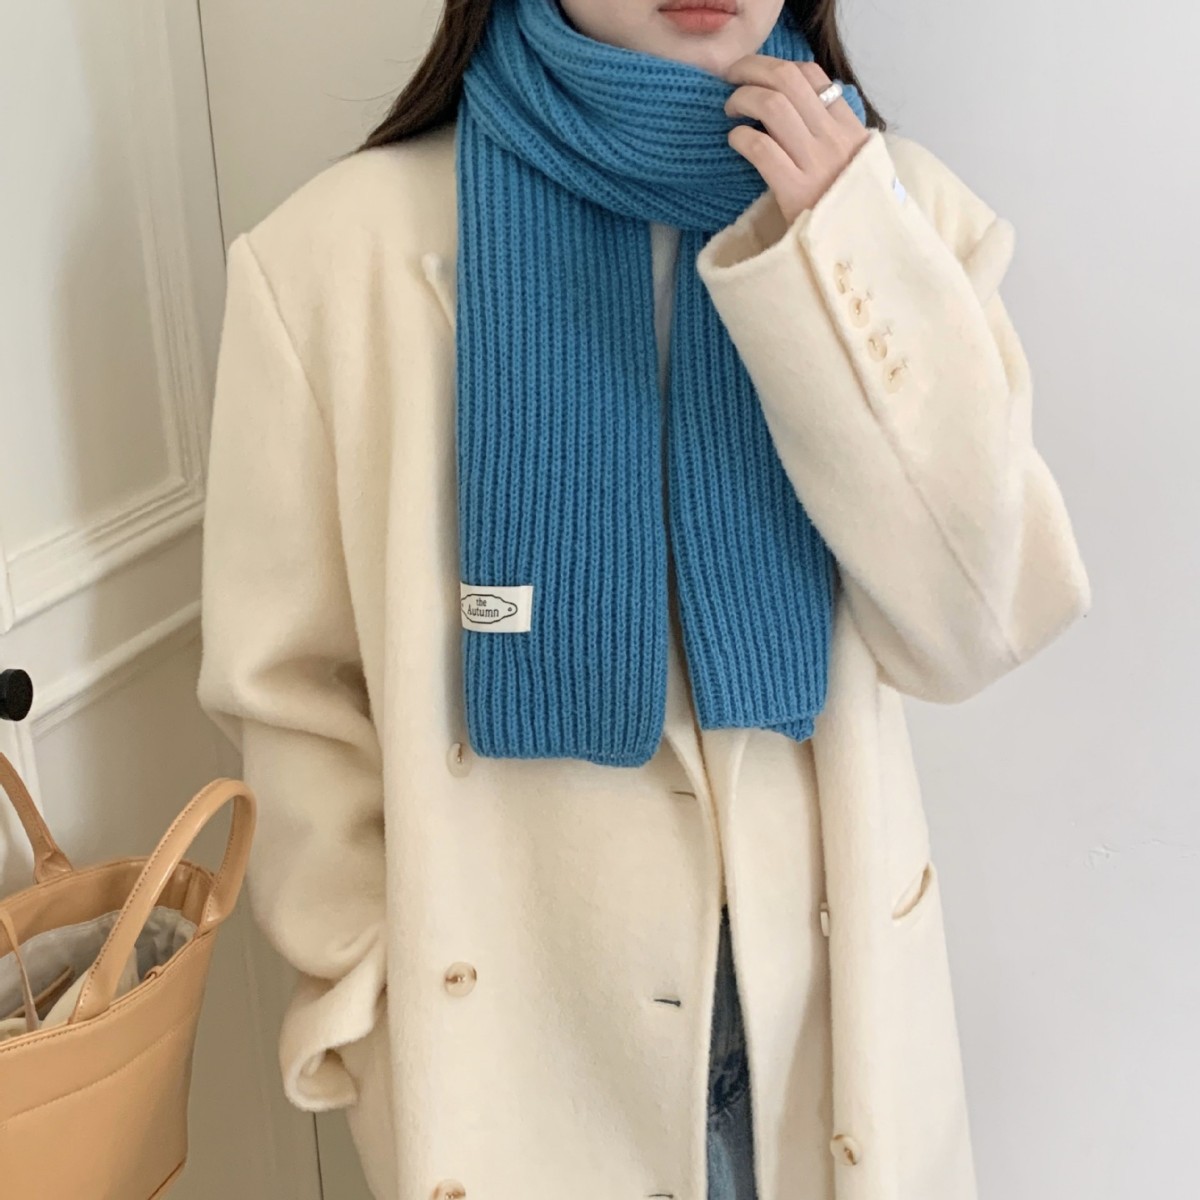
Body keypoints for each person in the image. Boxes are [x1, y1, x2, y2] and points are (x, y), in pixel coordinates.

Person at [195, 1, 1091, 1198]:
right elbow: (287, 687)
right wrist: (368, 996)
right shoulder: (329, 257)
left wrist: (846, 245)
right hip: (520, 1054)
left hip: (822, 1045)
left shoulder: (901, 212)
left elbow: (973, 629)